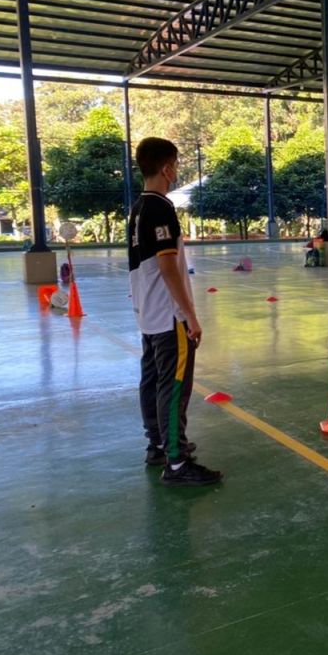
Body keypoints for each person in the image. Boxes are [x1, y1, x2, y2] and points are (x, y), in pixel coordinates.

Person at [128, 137, 222, 486]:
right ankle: (177, 463)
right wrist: (190, 315)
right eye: (176, 165)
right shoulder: (160, 207)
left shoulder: (138, 207)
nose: (176, 171)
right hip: (168, 315)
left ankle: (157, 444)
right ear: (167, 168)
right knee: (174, 385)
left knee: (152, 380)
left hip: (148, 312)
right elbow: (168, 265)